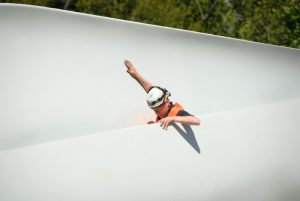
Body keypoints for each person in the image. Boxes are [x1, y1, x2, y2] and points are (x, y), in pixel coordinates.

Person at [124, 60, 201, 130]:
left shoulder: (177, 112)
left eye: (158, 109)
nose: (156, 113)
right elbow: (151, 90)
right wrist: (136, 75)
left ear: (166, 102)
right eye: (154, 110)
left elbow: (196, 121)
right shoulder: (162, 106)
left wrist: (172, 119)